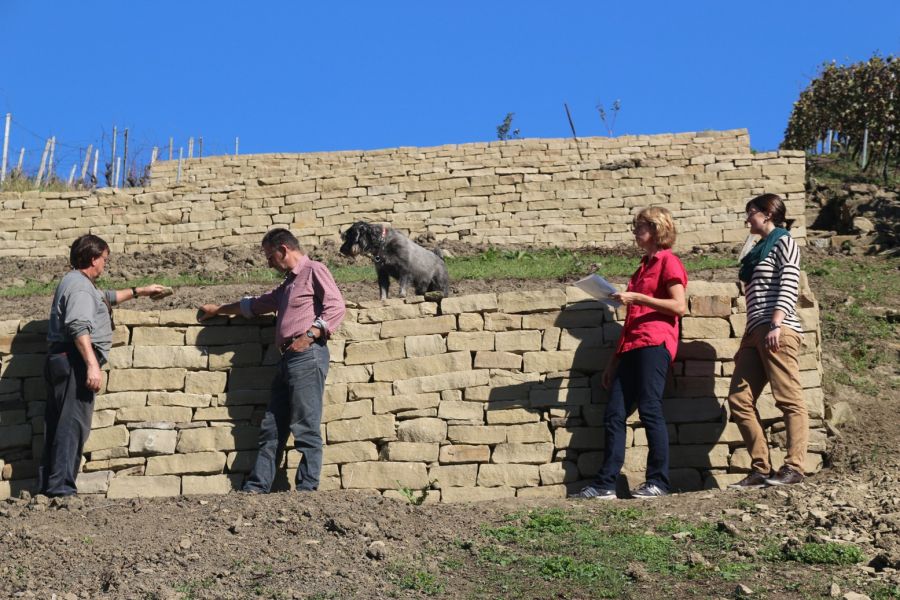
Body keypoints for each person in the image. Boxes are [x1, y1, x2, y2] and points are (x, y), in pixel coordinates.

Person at [198, 228, 345, 493]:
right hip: (287, 359)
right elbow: (256, 304)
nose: (267, 262)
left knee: (305, 424)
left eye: (269, 256)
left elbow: (336, 306)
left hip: (306, 355)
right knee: (272, 426)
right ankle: (256, 488)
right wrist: (219, 310)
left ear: (284, 249)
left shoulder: (313, 270)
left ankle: (307, 491)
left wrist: (309, 336)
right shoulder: (289, 284)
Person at [571, 207, 687, 499]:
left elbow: (678, 306)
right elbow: (631, 319)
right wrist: (613, 361)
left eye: (640, 226)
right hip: (631, 346)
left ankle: (658, 482)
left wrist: (636, 297)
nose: (635, 232)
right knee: (614, 414)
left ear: (656, 228)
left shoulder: (669, 262)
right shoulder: (641, 268)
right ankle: (605, 484)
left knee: (650, 409)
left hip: (655, 344)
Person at [41, 234, 166, 497]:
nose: (105, 265)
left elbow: (104, 297)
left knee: (58, 424)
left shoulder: (76, 283)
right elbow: (78, 325)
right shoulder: (81, 287)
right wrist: (91, 365)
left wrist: (140, 291)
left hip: (61, 359)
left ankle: (50, 486)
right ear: (93, 258)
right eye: (104, 260)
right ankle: (61, 490)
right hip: (74, 360)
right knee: (72, 425)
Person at [728, 194, 807, 488]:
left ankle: (794, 467)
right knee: (739, 400)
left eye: (750, 213)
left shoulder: (784, 240)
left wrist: (776, 322)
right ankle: (761, 468)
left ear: (766, 213)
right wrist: (747, 338)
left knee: (788, 398)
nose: (747, 219)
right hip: (755, 331)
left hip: (777, 327)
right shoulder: (757, 248)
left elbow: (789, 282)